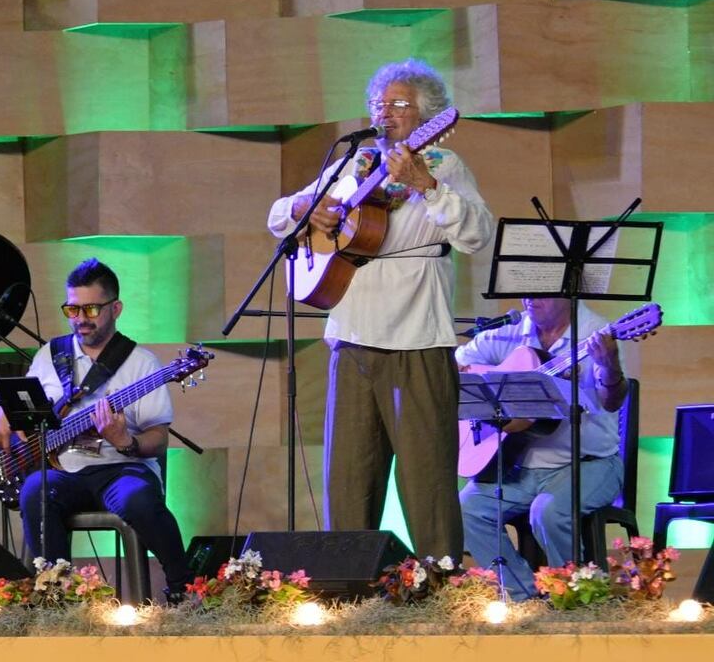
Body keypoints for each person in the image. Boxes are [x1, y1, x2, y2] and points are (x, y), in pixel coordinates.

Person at [266, 58, 495, 560]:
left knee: (428, 480)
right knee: (349, 479)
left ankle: (441, 586)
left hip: (418, 340)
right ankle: (351, 588)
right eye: (378, 104)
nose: (385, 113)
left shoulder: (442, 165)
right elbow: (279, 215)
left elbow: (479, 233)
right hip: (351, 338)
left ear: (428, 116)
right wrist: (308, 209)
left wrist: (424, 185)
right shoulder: (352, 165)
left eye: (398, 105)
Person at [0, 258, 190, 602]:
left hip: (122, 469)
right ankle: (57, 596)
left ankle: (185, 590)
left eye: (91, 309)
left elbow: (158, 438)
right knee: (35, 491)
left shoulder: (142, 363)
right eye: (73, 309)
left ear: (116, 308)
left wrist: (125, 441)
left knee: (139, 499)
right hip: (62, 471)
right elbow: (25, 401)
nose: (80, 318)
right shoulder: (51, 354)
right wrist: (3, 410)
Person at [457, 297, 626, 599]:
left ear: (567, 292)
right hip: (521, 469)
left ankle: (573, 600)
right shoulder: (509, 333)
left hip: (589, 464)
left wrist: (609, 366)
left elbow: (611, 400)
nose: (531, 299)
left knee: (547, 511)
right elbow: (457, 364)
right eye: (526, 290)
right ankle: (523, 599)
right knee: (465, 507)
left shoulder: (595, 332)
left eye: (542, 290)